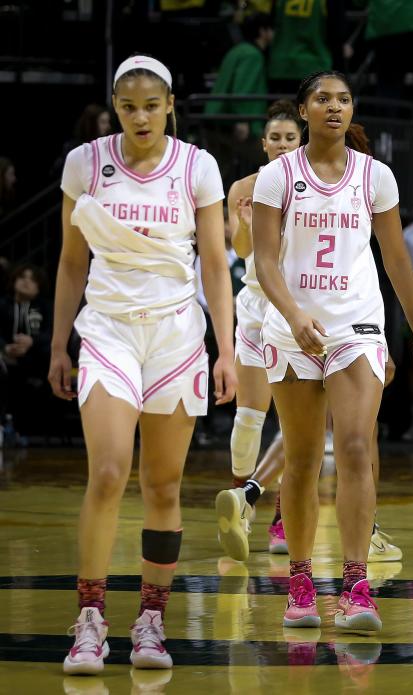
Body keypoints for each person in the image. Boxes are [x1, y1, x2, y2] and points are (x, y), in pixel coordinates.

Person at [52, 55, 237, 674]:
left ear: (169, 106)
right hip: (107, 332)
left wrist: (227, 349)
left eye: (151, 106)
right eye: (128, 107)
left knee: (162, 486)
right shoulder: (86, 163)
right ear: (114, 106)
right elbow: (71, 262)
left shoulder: (198, 168)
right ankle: (90, 618)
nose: (140, 117)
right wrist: (58, 343)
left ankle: (151, 621)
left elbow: (215, 265)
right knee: (107, 473)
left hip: (177, 336)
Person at [251, 70, 413, 633]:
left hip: (356, 324)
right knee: (304, 459)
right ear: (303, 110)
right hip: (293, 327)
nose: (334, 107)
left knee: (356, 446)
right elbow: (263, 262)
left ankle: (356, 584)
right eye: (323, 99)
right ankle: (302, 580)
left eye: (344, 99)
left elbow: (397, 261)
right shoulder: (276, 176)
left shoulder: (375, 176)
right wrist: (293, 315)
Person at [213, 100, 301, 562]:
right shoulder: (243, 188)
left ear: (299, 140)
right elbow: (241, 247)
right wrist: (246, 224)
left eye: (291, 137)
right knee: (250, 416)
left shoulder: (311, 186)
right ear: (263, 143)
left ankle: (280, 517)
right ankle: (239, 506)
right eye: (276, 138)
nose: (283, 144)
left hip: (297, 307)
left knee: (296, 421)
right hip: (254, 306)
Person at [0, 264, 52, 442]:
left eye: (32, 279)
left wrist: (32, 342)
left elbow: (53, 333)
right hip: (6, 359)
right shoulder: (3, 304)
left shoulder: (45, 307)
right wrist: (5, 348)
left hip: (35, 360)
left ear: (39, 287)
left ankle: (25, 430)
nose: (26, 282)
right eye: (22, 277)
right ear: (14, 281)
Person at [205, 12, 274, 140]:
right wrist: (242, 120)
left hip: (217, 117)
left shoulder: (238, 50)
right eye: (272, 29)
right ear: (263, 31)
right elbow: (242, 89)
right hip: (232, 123)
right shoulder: (252, 55)